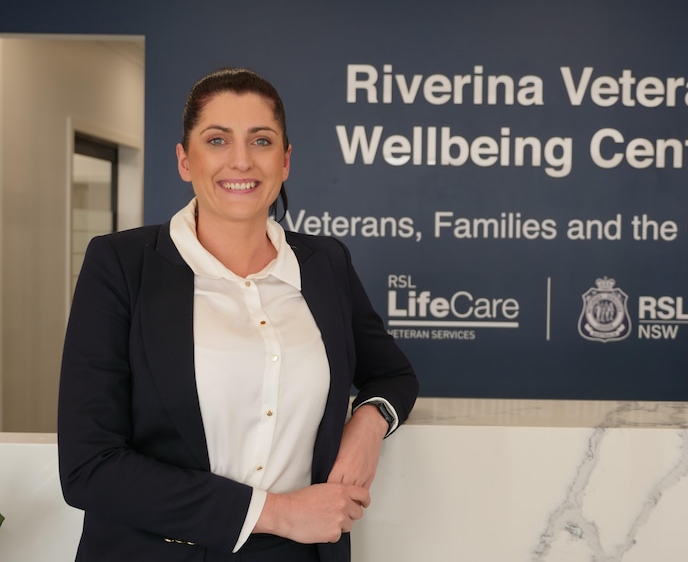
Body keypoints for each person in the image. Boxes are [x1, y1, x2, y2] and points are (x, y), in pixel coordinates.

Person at [57, 67, 419, 562]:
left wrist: (369, 423)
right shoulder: (120, 265)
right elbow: (89, 468)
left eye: (262, 140)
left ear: (286, 160)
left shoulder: (325, 264)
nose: (241, 160)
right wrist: (280, 512)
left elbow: (393, 374)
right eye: (217, 140)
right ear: (185, 159)